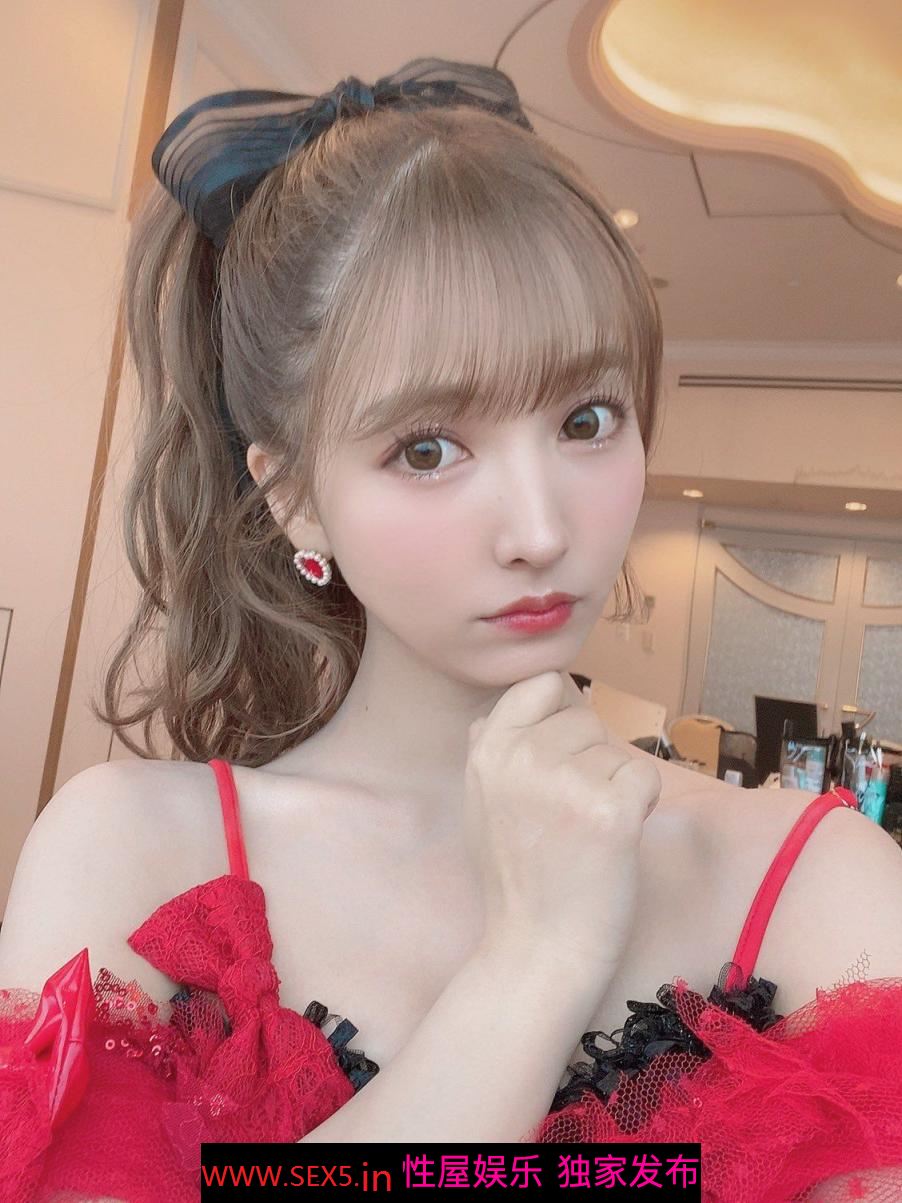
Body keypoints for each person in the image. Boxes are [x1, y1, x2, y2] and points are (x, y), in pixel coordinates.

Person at [1, 57, 901, 1203]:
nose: (539, 530)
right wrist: (531, 964)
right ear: (292, 497)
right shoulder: (134, 852)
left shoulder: (819, 879)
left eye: (586, 419)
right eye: (426, 448)